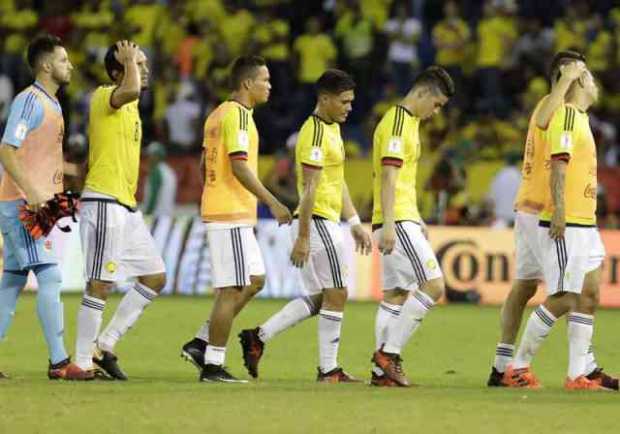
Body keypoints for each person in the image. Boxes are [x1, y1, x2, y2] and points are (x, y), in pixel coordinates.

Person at [487, 51, 618, 391]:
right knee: (562, 293)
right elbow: (552, 140)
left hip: (554, 211)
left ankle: (577, 369)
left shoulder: (567, 112)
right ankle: (515, 366)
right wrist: (559, 208)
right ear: (568, 77)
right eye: (583, 71)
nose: (591, 77)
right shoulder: (557, 108)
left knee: (564, 289)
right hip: (546, 209)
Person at [237, 69, 372, 383]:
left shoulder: (333, 128)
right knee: (337, 293)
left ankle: (258, 336)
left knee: (320, 298)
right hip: (318, 221)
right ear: (324, 99)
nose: (349, 107)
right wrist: (303, 237)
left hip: (328, 219)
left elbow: (337, 181)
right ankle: (329, 370)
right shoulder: (312, 132)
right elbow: (310, 188)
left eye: (351, 102)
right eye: (344, 101)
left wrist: (353, 221)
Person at [180, 55, 291, 383]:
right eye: (265, 80)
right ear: (247, 83)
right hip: (230, 213)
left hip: (227, 209)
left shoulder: (217, 114)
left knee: (255, 280)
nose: (269, 86)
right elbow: (240, 165)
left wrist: (215, 189)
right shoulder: (240, 117)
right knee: (231, 289)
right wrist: (273, 202)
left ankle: (201, 341)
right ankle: (213, 365)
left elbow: (204, 165)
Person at [0, 34, 92, 380]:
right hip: (21, 205)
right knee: (51, 276)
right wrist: (31, 189)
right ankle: (58, 362)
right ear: (46, 65)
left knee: (11, 280)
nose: (70, 65)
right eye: (64, 59)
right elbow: (7, 149)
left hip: (36, 204)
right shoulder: (29, 101)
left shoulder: (52, 105)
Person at [74, 41, 167, 380]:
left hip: (125, 206)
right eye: (135, 63)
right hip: (104, 203)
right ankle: (81, 362)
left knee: (155, 276)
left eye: (144, 63)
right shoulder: (105, 95)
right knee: (100, 283)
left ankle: (105, 345)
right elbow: (128, 88)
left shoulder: (132, 106)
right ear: (117, 72)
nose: (144, 69)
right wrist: (128, 62)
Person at [370, 66, 454, 387]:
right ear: (422, 93)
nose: (436, 113)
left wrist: (416, 216)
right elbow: (389, 177)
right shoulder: (396, 124)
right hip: (395, 219)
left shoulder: (409, 123)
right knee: (434, 286)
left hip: (402, 217)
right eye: (436, 105)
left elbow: (404, 179)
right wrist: (393, 224)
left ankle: (381, 373)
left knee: (395, 293)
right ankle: (388, 355)